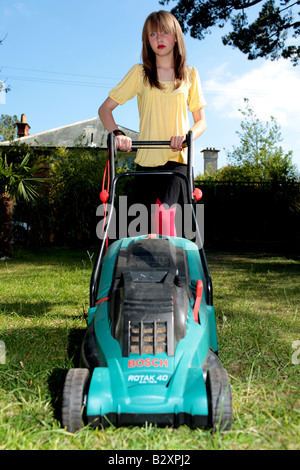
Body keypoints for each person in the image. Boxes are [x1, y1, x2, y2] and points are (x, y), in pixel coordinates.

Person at [99, 10, 207, 236]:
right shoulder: (140, 74)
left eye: (165, 33)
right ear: (146, 41)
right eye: (153, 34)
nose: (159, 39)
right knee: (142, 230)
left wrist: (186, 137)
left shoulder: (190, 75)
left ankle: (176, 269)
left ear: (176, 37)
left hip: (178, 162)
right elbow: (105, 109)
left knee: (169, 225)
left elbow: (201, 122)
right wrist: (118, 134)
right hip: (146, 162)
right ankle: (145, 271)